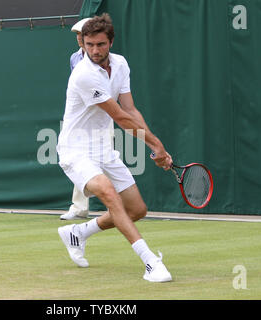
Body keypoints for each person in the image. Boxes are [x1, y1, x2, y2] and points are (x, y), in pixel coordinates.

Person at [56, 13, 173, 282]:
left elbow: (131, 109)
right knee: (109, 194)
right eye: (89, 44)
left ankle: (79, 233)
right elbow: (120, 117)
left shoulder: (120, 64)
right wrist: (156, 144)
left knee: (137, 210)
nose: (94, 50)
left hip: (103, 150)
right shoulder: (84, 74)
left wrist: (157, 149)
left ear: (111, 42)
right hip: (75, 151)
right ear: (82, 43)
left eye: (100, 44)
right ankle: (151, 263)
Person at [60, 18, 92, 221]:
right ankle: (80, 208)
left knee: (104, 162)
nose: (79, 38)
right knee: (77, 160)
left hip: (99, 118)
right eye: (77, 34)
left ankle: (120, 204)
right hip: (78, 120)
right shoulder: (74, 58)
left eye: (83, 33)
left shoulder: (106, 60)